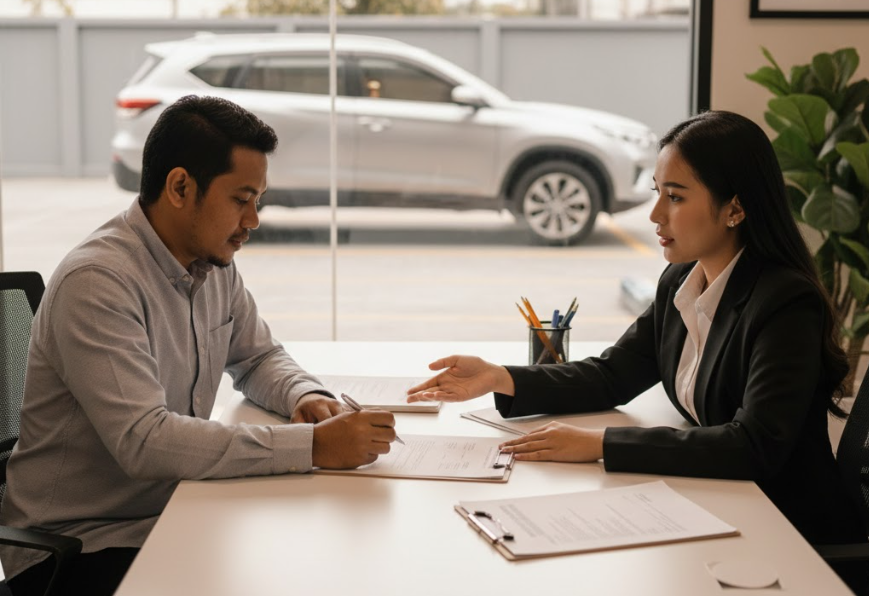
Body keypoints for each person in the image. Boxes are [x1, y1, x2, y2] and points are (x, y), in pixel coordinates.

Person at [408, 111, 866, 554]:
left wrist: (600, 444)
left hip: (789, 532)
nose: (654, 215)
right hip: (723, 505)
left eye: (676, 197)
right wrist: (500, 377)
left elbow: (753, 446)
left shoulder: (784, 302)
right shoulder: (682, 281)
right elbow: (613, 374)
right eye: (657, 192)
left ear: (736, 208)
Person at [0, 95, 397, 596]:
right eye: (241, 199)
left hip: (173, 509)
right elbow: (144, 441)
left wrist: (304, 397)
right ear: (181, 187)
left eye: (259, 200)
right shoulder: (98, 282)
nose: (253, 220)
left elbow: (258, 356)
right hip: (81, 547)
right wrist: (315, 446)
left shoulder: (211, 265)